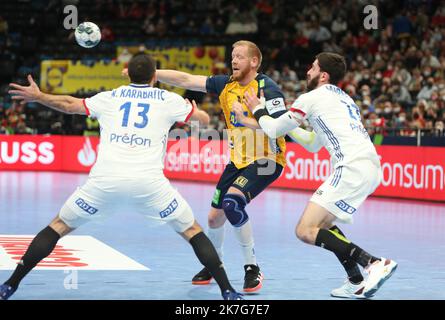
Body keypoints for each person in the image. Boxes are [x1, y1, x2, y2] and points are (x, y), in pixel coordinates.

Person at [1, 54, 242, 301]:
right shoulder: (169, 100)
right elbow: (202, 120)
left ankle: (10, 284)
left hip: (105, 182)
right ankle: (228, 291)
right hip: (149, 185)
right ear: (154, 76)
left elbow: (68, 104)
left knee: (58, 226)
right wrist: (195, 111)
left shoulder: (109, 97)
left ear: (129, 73)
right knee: (192, 231)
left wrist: (39, 96)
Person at [244, 52, 398, 299]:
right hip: (369, 167)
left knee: (305, 230)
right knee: (325, 225)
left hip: (351, 167)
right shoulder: (344, 98)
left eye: (312, 67)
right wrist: (291, 125)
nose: (308, 71)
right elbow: (314, 143)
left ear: (323, 75)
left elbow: (272, 129)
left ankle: (373, 263)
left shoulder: (311, 97)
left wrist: (258, 109)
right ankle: (355, 279)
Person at [153, 41, 288, 292]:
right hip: (237, 161)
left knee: (232, 203)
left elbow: (282, 127)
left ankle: (252, 268)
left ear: (254, 62)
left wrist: (246, 118)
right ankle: (215, 264)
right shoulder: (226, 84)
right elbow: (186, 79)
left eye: (239, 57)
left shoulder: (268, 88)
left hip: (267, 160)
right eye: (232, 56)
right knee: (214, 218)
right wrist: (154, 72)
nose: (233, 61)